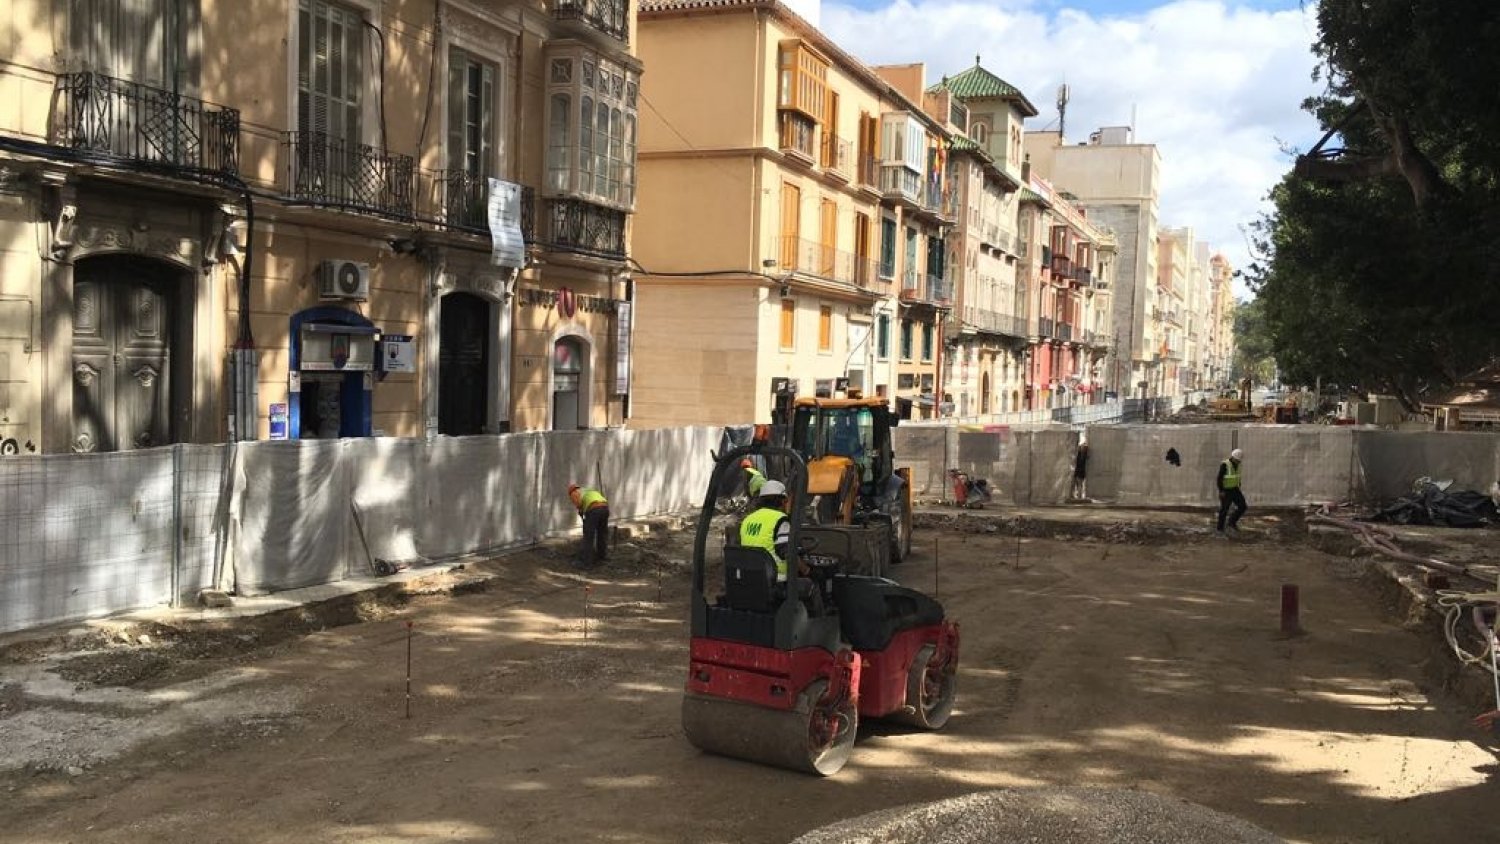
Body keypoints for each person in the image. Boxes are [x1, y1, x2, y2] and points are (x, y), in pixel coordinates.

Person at [739, 480, 820, 609]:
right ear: (782, 501)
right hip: (776, 582)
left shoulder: (748, 520)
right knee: (812, 586)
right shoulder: (780, 520)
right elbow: (789, 554)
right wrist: (808, 570)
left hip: (751, 579)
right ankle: (818, 625)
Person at [568, 482, 610, 567]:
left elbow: (579, 503)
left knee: (588, 536)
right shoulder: (589, 490)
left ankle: (586, 562)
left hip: (594, 510)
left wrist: (581, 511)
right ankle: (602, 556)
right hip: (605, 509)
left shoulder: (574, 492)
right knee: (602, 534)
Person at [1215, 448, 1247, 538]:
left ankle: (1231, 522)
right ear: (1233, 458)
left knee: (1243, 506)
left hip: (1235, 489)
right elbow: (1219, 479)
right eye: (1237, 460)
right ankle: (1219, 529)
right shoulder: (1225, 465)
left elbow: (1236, 475)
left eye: (1239, 460)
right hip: (1226, 490)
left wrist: (1238, 483)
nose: (1238, 462)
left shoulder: (1238, 464)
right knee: (1224, 510)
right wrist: (1221, 490)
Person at [1072, 437, 1090, 501]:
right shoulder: (1084, 456)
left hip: (1077, 471)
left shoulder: (1078, 455)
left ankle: (1078, 496)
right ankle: (1079, 496)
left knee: (1077, 484)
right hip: (1082, 472)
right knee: (1080, 484)